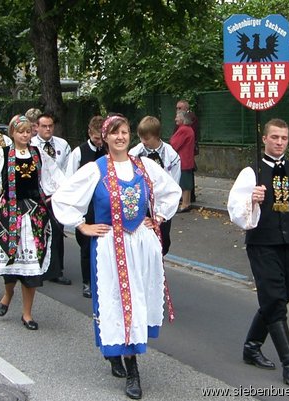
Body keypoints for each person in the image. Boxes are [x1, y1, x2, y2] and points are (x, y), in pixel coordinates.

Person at [52, 114, 181, 399]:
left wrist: (157, 216)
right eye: (114, 133)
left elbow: (171, 190)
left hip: (140, 245)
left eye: (124, 132)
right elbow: (63, 197)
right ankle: (131, 368)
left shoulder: (144, 165)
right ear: (106, 137)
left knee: (136, 300)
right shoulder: (95, 169)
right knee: (117, 301)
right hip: (111, 247)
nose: (120, 137)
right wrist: (82, 225)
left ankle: (121, 354)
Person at [227, 118, 289, 388]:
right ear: (264, 139)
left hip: (286, 242)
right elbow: (234, 208)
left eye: (283, 138)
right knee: (274, 299)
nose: (279, 142)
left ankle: (252, 346)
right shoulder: (252, 173)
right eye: (274, 137)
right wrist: (252, 200)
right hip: (262, 243)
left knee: (284, 294)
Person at [0, 115, 65, 330]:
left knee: (33, 268)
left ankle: (27, 314)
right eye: (21, 131)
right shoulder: (1, 155)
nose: (25, 135)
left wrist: (54, 197)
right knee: (11, 263)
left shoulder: (38, 155)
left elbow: (56, 178)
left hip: (35, 215)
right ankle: (8, 295)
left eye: (28, 131)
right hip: (10, 213)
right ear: (12, 133)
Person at [66, 115, 106, 298]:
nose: (99, 142)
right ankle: (87, 282)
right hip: (87, 204)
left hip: (104, 205)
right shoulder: (79, 152)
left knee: (106, 244)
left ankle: (104, 280)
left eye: (102, 138)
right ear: (90, 133)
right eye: (96, 138)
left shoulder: (108, 151)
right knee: (86, 246)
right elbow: (70, 180)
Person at [129, 116, 181, 256]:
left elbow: (174, 183)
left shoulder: (171, 155)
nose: (143, 142)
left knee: (163, 243)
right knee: (145, 242)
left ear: (156, 136)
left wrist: (166, 204)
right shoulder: (135, 153)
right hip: (143, 204)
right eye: (141, 138)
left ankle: (158, 266)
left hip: (161, 204)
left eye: (146, 138)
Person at [30, 113, 72, 285]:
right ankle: (36, 268)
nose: (48, 129)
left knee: (56, 233)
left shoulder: (62, 145)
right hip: (37, 196)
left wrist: (62, 192)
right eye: (44, 126)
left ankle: (56, 269)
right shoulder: (31, 146)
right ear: (37, 127)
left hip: (58, 196)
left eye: (50, 126)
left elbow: (68, 171)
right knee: (37, 233)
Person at [170, 111, 195, 212]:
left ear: (182, 119)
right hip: (188, 159)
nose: (175, 119)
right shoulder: (189, 129)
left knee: (184, 183)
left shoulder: (183, 130)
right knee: (187, 183)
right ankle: (187, 202)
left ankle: (185, 204)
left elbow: (174, 143)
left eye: (177, 117)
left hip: (182, 159)